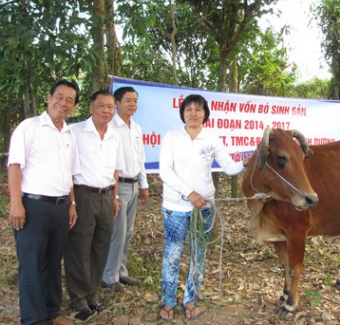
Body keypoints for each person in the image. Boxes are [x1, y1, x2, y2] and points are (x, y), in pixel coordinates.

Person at [158, 94, 248, 321]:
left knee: (198, 255)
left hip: (204, 208)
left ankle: (190, 300)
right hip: (176, 207)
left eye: (198, 109)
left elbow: (229, 167)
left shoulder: (212, 138)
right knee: (173, 255)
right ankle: (168, 302)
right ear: (183, 113)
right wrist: (190, 193)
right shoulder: (171, 137)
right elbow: (164, 172)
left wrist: (247, 162)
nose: (193, 113)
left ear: (205, 113)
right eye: (189, 109)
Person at [8, 80, 80, 325]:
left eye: (70, 100)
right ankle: (33, 319)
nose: (64, 103)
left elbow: (69, 174)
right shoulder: (29, 127)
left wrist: (72, 204)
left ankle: (52, 312)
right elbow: (15, 165)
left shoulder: (69, 134)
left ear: (74, 106)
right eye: (59, 97)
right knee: (31, 264)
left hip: (60, 208)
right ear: (49, 98)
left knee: (52, 262)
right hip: (33, 207)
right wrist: (16, 203)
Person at [64, 90, 124, 321]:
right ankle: (78, 300)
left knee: (100, 248)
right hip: (83, 194)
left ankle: (91, 295)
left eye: (110, 107)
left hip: (107, 196)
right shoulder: (76, 131)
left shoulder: (114, 135)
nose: (107, 111)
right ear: (91, 107)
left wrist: (116, 197)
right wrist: (73, 201)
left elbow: (116, 170)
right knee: (79, 249)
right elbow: (67, 168)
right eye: (102, 106)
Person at [102, 87, 149, 292]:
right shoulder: (110, 127)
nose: (133, 104)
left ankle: (121, 272)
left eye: (136, 101)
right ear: (117, 103)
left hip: (134, 184)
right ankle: (109, 277)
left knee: (127, 231)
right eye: (128, 100)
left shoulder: (136, 128)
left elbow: (141, 159)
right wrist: (112, 190)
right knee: (117, 232)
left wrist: (144, 184)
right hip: (117, 185)